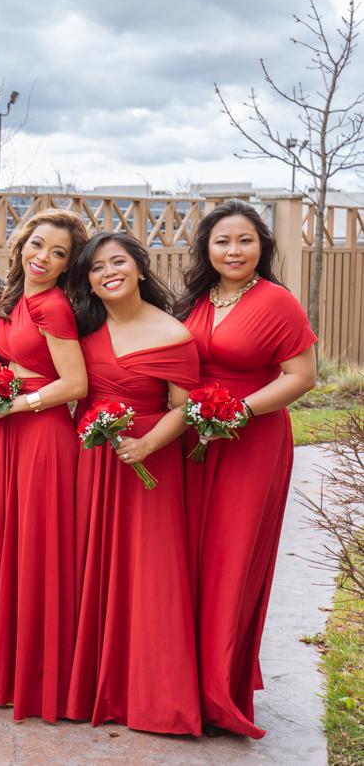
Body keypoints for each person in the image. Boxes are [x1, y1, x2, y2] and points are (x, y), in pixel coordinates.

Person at [176, 200, 317, 738]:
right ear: (206, 249)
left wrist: (238, 410)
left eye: (245, 241)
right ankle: (184, 682)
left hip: (250, 441)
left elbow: (301, 376)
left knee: (230, 563)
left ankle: (220, 693)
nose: (233, 251)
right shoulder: (196, 300)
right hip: (193, 440)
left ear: (263, 246)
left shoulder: (277, 301)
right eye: (222, 241)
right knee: (189, 559)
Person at [64, 232, 202, 734]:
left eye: (117, 262)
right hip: (95, 463)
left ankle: (155, 698)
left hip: (151, 464)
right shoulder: (85, 327)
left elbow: (185, 407)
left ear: (140, 269)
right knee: (92, 569)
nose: (108, 273)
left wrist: (145, 446)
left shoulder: (172, 333)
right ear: (89, 284)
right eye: (96, 269)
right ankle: (92, 686)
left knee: (149, 576)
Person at [0, 209, 89, 723]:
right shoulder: (14, 297)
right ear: (21, 244)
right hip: (10, 435)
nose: (43, 258)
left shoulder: (53, 307)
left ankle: (36, 679)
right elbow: (18, 365)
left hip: (43, 439)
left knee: (33, 549)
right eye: (37, 245)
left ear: (68, 265)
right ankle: (0, 670)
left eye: (59, 254)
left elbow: (74, 384)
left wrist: (12, 405)